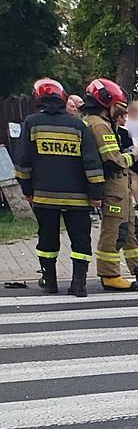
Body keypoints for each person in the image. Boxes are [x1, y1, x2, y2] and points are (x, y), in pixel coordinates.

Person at [13, 78, 104, 297]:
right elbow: (92, 163)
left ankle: (49, 280)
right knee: (81, 239)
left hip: (44, 197)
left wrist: (27, 190)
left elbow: (22, 162)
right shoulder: (78, 126)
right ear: (62, 98)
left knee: (47, 239)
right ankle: (79, 283)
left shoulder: (32, 123)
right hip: (78, 198)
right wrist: (96, 194)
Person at [81, 78, 138, 291]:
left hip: (119, 187)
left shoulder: (96, 122)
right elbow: (113, 160)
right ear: (105, 103)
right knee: (113, 230)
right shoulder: (99, 125)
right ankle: (109, 274)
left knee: (129, 229)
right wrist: (133, 155)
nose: (118, 111)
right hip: (112, 187)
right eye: (116, 106)